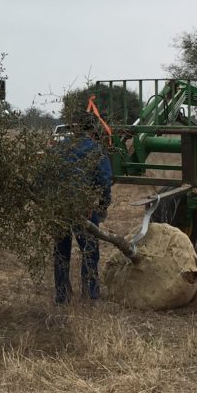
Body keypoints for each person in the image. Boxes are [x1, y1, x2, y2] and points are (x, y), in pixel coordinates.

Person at [53, 110, 113, 304]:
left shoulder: (58, 148)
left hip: (59, 207)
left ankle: (62, 297)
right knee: (89, 251)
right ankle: (90, 296)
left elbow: (45, 176)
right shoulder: (95, 150)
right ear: (93, 130)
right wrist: (103, 205)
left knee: (61, 252)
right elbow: (104, 180)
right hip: (84, 209)